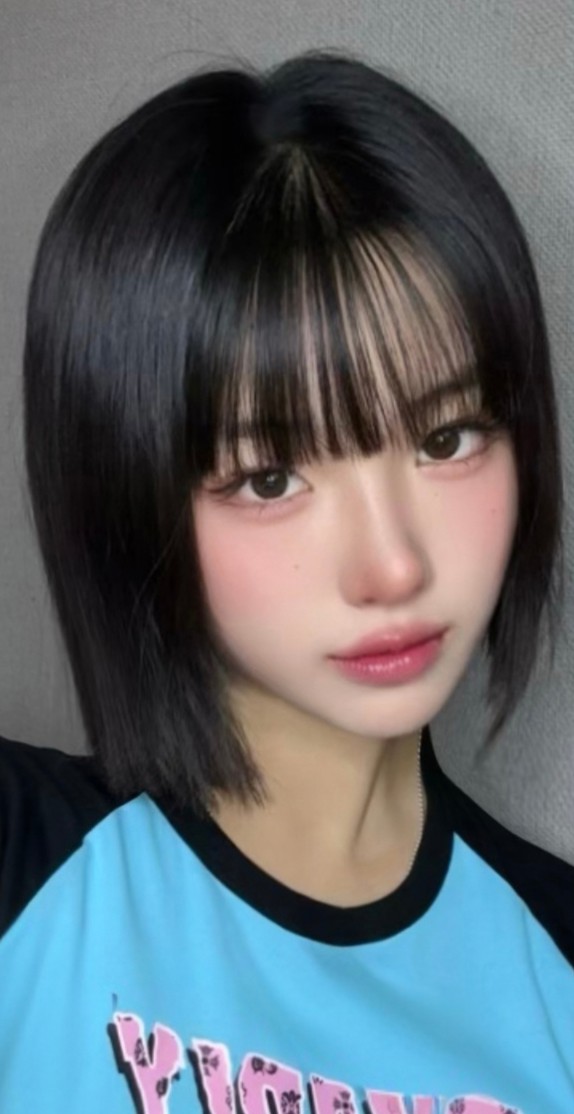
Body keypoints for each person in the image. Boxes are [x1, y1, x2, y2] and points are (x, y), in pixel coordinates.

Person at [0, 49, 572, 1114]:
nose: (394, 565)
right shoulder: (28, 869)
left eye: (446, 438)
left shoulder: (557, 961)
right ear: (127, 493)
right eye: (270, 477)